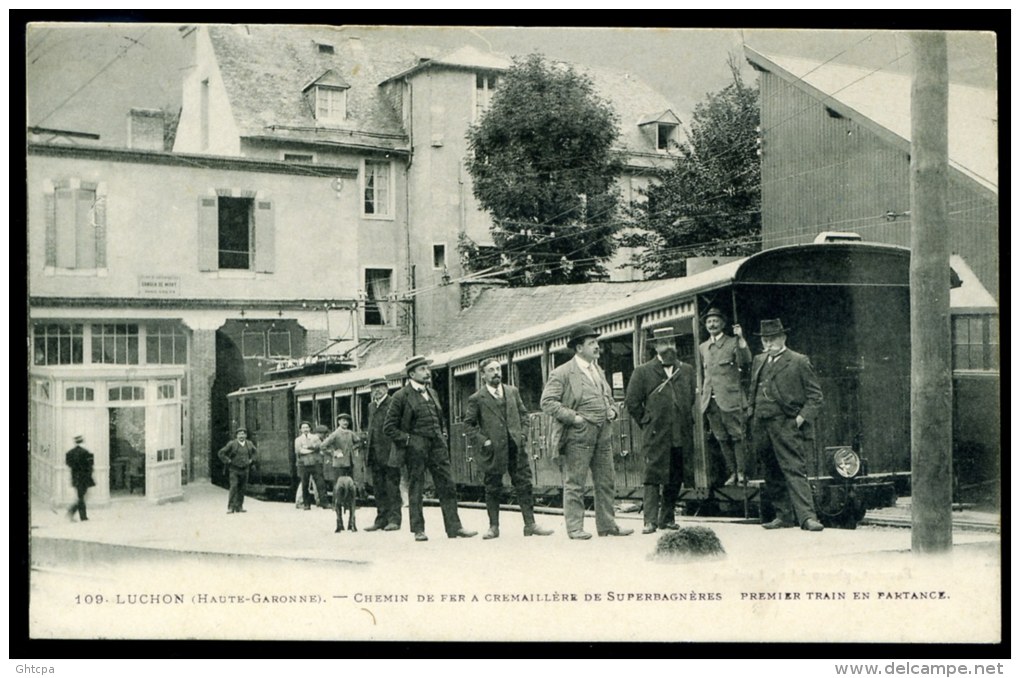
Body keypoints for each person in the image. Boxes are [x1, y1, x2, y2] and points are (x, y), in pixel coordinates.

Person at [540, 324, 633, 540]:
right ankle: (574, 528)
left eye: (597, 342)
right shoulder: (562, 373)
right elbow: (547, 402)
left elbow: (607, 396)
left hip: (603, 433)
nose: (597, 346)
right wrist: (574, 418)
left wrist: (611, 409)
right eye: (592, 343)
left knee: (606, 480)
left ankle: (608, 525)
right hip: (578, 436)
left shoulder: (597, 370)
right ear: (579, 347)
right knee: (575, 482)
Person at [383, 355, 477, 542]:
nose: (428, 372)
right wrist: (409, 440)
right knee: (416, 488)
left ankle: (454, 528)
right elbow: (389, 427)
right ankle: (418, 530)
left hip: (437, 446)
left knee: (448, 486)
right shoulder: (400, 396)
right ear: (412, 373)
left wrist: (441, 435)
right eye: (423, 369)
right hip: (415, 449)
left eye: (427, 368)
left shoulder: (432, 393)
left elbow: (438, 418)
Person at [747, 319, 825, 532]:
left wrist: (799, 420)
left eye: (773, 338)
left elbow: (815, 397)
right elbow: (753, 390)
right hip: (762, 425)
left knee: (794, 470)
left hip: (786, 425)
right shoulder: (759, 360)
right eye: (765, 339)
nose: (768, 343)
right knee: (771, 471)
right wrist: (751, 414)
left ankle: (808, 518)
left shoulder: (798, 361)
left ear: (783, 338)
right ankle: (784, 516)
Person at [465, 358, 554, 539]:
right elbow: (469, 425)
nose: (497, 372)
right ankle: (493, 527)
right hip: (493, 451)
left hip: (516, 447)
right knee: (492, 487)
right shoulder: (477, 398)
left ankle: (530, 524)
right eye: (491, 370)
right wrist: (484, 441)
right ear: (483, 375)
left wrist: (523, 436)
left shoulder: (512, 392)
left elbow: (524, 415)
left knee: (524, 484)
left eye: (498, 369)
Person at [625, 327, 696, 534]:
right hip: (656, 434)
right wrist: (648, 422)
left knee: (675, 476)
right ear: (655, 346)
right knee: (653, 476)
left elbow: (690, 398)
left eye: (672, 343)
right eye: (664, 343)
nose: (669, 347)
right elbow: (632, 403)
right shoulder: (642, 371)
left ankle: (667, 518)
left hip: (679, 432)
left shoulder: (687, 370)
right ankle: (649, 521)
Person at [698, 307, 752, 486]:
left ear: (723, 323)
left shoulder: (732, 342)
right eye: (709, 322)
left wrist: (741, 338)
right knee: (721, 438)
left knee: (738, 436)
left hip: (731, 400)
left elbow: (745, 361)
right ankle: (732, 473)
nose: (712, 324)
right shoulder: (703, 347)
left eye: (715, 321)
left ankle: (742, 472)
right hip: (711, 402)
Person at [363, 377, 402, 532]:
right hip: (374, 454)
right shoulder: (371, 406)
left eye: (380, 387)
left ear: (387, 388)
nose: (377, 390)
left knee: (392, 488)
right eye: (374, 388)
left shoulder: (394, 403)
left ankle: (394, 520)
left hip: (390, 453)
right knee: (378, 489)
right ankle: (381, 520)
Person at [217, 427, 258, 514]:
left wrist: (251, 460)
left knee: (242, 488)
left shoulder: (249, 444)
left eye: (243, 434)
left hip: (245, 469)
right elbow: (221, 453)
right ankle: (231, 507)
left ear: (246, 435)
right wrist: (228, 460)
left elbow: (255, 453)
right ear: (236, 436)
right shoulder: (232, 444)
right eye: (239, 434)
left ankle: (239, 506)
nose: (241, 436)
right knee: (234, 487)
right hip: (234, 470)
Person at [294, 421, 329, 510]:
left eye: (307, 427)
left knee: (320, 484)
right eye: (303, 428)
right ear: (300, 430)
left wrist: (306, 447)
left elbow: (319, 446)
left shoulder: (315, 437)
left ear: (310, 428)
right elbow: (299, 450)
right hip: (304, 464)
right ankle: (306, 504)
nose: (305, 429)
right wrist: (312, 449)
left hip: (316, 463)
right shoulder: (297, 440)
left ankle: (324, 503)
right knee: (305, 484)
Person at [321, 413, 359, 490]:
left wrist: (353, 448)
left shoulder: (350, 433)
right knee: (338, 485)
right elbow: (323, 446)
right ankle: (337, 502)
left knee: (349, 485)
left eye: (347, 421)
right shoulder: (335, 434)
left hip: (349, 463)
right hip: (339, 464)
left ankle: (347, 501)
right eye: (343, 421)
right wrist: (333, 453)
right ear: (339, 422)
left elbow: (358, 442)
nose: (346, 423)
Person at [65, 435, 95, 522]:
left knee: (80, 496)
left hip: (75, 477)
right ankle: (74, 512)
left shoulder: (69, 453)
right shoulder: (86, 453)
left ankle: (82, 516)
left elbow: (69, 464)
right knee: (82, 497)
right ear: (82, 441)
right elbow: (90, 466)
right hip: (85, 478)